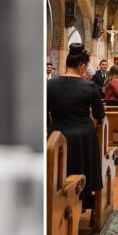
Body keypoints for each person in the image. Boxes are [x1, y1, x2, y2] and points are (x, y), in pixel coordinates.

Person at [47, 43, 105, 209]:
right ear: (82, 65)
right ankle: (83, 198)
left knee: (60, 172)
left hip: (57, 136)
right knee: (82, 170)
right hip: (83, 137)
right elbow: (100, 114)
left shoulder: (50, 85)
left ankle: (57, 203)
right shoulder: (89, 86)